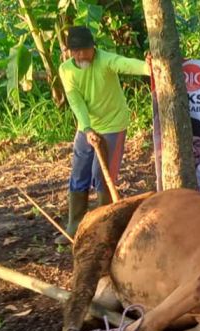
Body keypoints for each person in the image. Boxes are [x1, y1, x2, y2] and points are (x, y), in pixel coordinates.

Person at [55, 26, 150, 244]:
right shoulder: (66, 70)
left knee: (102, 175)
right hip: (86, 127)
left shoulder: (105, 61)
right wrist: (87, 129)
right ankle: (74, 226)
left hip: (113, 125)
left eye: (85, 50)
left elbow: (124, 63)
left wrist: (148, 67)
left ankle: (101, 227)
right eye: (75, 51)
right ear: (68, 52)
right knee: (79, 175)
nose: (80, 55)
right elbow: (75, 101)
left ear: (93, 48)